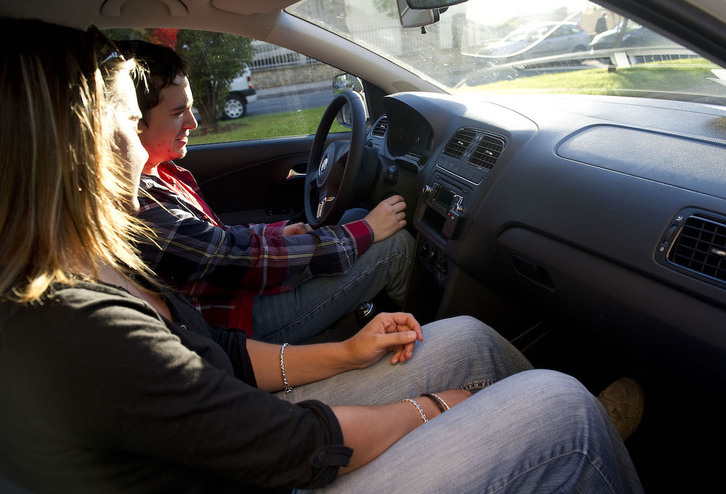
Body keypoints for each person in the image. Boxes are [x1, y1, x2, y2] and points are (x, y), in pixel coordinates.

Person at [0, 17, 644, 494]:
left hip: (237, 438)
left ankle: (555, 458)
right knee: (558, 408)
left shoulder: (87, 264)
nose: (140, 144)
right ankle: (570, 444)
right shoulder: (74, 326)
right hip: (273, 468)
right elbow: (296, 446)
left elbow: (216, 356)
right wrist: (443, 406)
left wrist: (347, 351)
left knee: (470, 339)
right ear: (74, 148)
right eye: (123, 118)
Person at [114, 39, 414, 344]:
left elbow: (218, 240)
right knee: (395, 244)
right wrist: (364, 232)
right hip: (239, 325)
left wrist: (277, 233)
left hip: (236, 296)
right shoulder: (144, 207)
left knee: (357, 215)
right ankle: (425, 340)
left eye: (191, 109)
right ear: (130, 122)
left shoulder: (164, 172)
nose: (193, 122)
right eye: (179, 113)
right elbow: (238, 260)